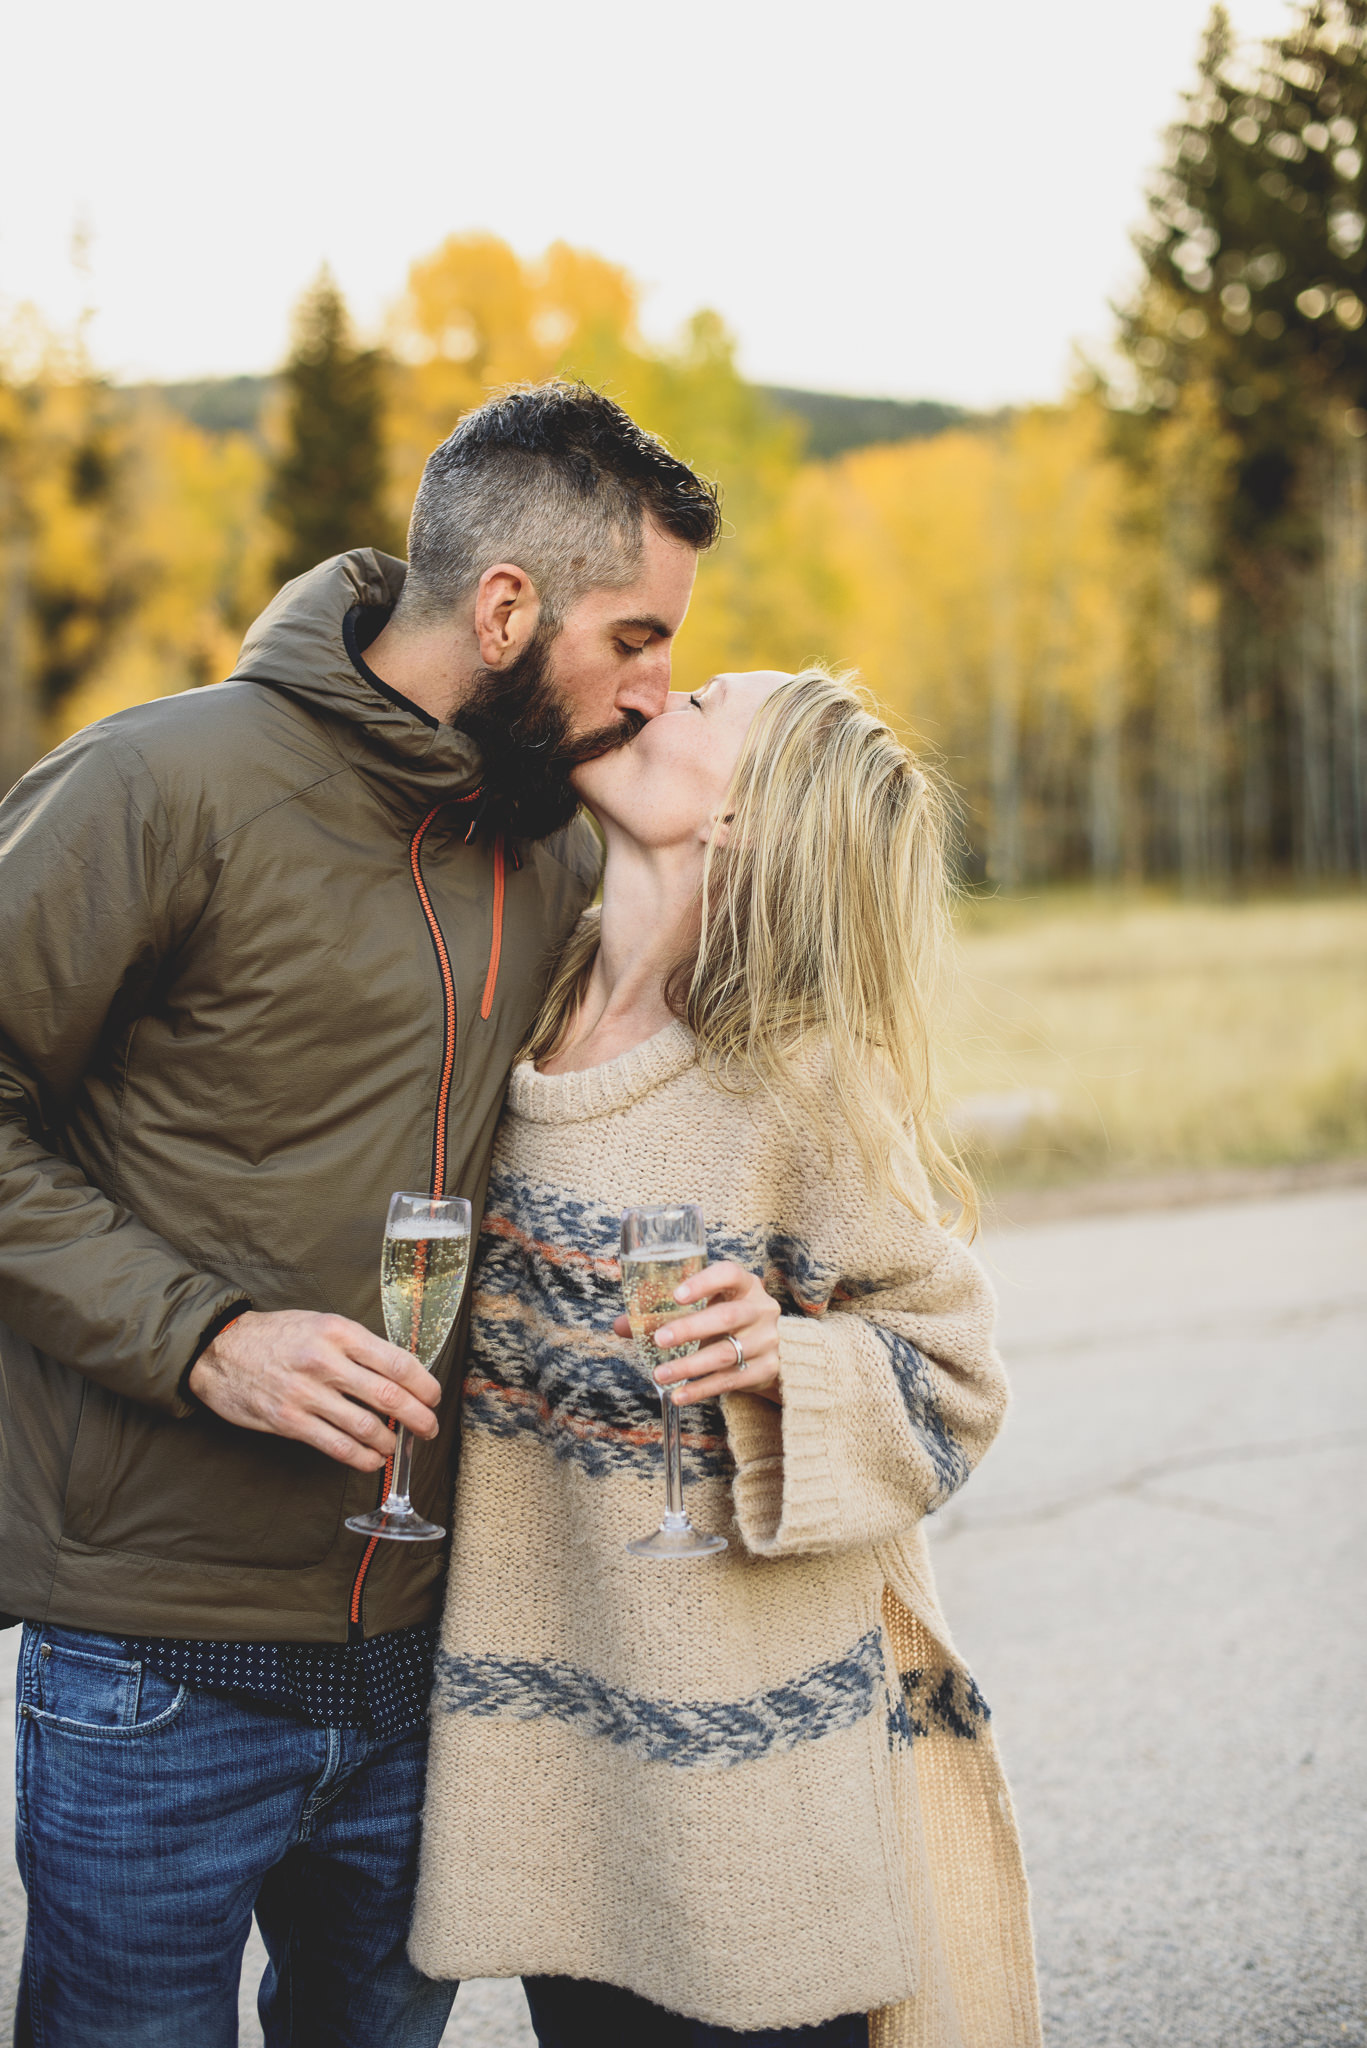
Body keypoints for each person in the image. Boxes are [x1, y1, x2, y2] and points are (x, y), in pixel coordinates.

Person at [0, 381, 720, 2047]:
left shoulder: (546, 855)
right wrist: (208, 1345)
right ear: (505, 605)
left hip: (433, 1658)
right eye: (634, 634)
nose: (654, 684)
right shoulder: (158, 782)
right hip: (155, 1663)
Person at [409, 667, 1043, 2047]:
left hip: (750, 1790)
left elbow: (958, 1381)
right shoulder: (532, 986)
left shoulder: (799, 1072)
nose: (652, 704)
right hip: (556, 1764)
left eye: (699, 703)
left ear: (748, 817)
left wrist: (791, 1364)